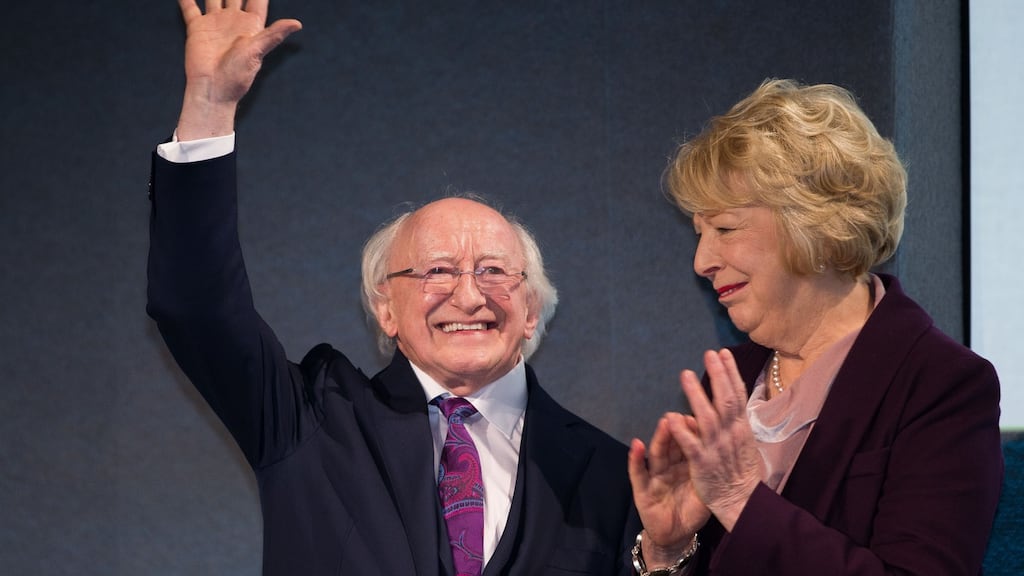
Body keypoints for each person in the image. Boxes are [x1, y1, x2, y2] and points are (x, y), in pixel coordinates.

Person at [146, 1, 638, 574]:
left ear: (531, 310)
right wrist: (210, 104)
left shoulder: (615, 475)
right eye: (436, 271)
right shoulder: (309, 424)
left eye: (494, 271)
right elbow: (197, 307)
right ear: (386, 309)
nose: (469, 296)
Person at [626, 79, 1003, 575]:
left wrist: (741, 501)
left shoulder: (941, 384)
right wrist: (667, 550)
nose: (702, 261)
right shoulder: (727, 383)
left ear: (814, 224)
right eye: (700, 234)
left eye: (725, 229)